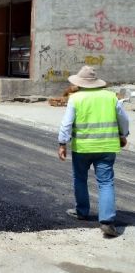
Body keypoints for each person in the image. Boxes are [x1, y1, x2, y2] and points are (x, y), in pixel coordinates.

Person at [57, 65, 129, 238]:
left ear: (80, 83)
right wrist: (123, 135)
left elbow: (66, 123)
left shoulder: (76, 98)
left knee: (80, 179)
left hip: (82, 148)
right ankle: (107, 222)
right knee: (105, 182)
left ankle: (82, 211)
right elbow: (124, 119)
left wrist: (62, 143)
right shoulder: (111, 97)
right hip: (107, 147)